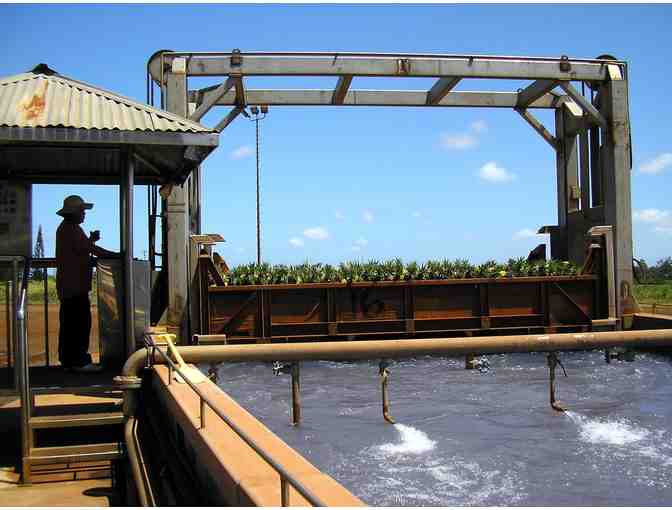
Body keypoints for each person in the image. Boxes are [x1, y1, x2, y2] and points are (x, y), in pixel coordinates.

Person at [55, 195, 118, 373]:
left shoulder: (66, 229)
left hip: (69, 286)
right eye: (82, 211)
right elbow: (91, 250)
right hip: (74, 287)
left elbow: (81, 248)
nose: (84, 214)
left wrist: (90, 240)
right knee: (79, 324)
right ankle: (79, 361)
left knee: (69, 324)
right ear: (74, 212)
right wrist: (117, 256)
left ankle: (69, 361)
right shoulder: (72, 229)